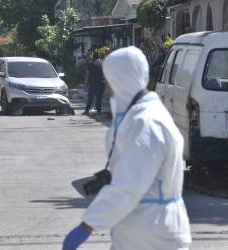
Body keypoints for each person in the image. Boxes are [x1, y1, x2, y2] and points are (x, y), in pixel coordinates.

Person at [63, 46, 191, 250]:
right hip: (142, 230)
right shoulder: (140, 116)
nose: (106, 90)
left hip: (152, 235)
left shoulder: (145, 123)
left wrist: (87, 226)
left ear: (122, 81)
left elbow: (128, 186)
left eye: (109, 83)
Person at [82, 51, 104, 116]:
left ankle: (86, 111)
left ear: (93, 56)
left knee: (90, 98)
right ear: (98, 56)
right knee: (99, 98)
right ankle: (99, 113)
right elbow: (104, 73)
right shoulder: (102, 62)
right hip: (100, 83)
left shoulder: (90, 63)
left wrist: (85, 83)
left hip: (92, 83)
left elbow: (87, 74)